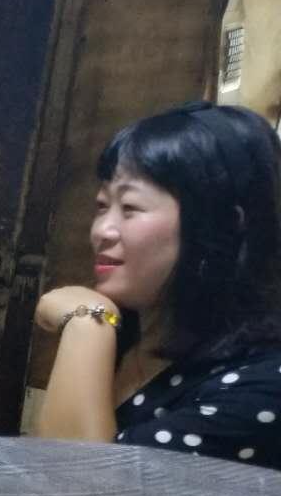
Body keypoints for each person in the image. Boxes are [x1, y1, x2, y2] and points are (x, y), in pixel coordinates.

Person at [34, 101, 281, 467]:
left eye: (130, 208)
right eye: (102, 206)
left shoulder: (263, 385)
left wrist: (87, 322)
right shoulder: (126, 333)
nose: (101, 231)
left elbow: (74, 485)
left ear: (222, 227)